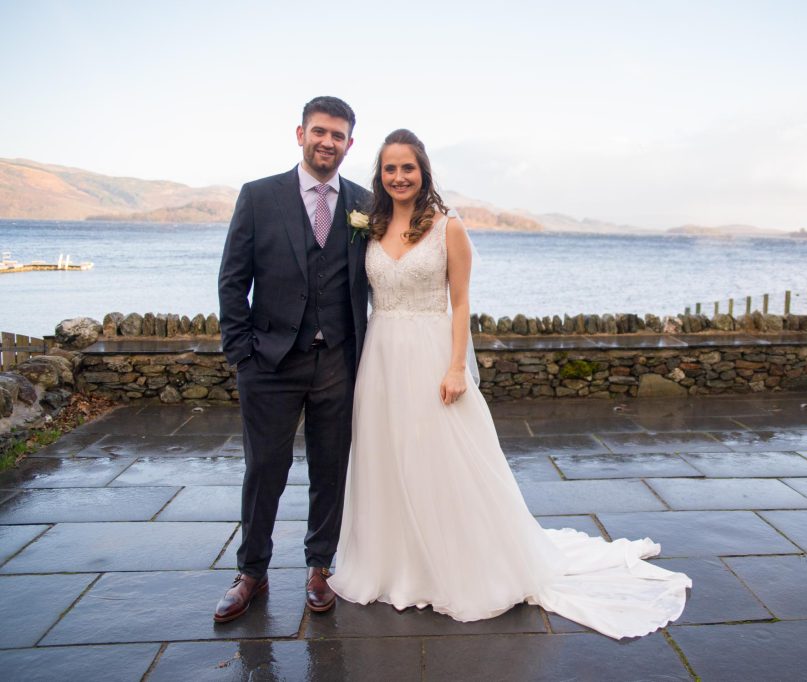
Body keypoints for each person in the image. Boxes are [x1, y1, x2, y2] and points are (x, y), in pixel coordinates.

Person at [327, 129, 691, 639]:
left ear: (423, 172)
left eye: (408, 167)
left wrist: (456, 367)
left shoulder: (448, 227)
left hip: (431, 352)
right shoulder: (371, 226)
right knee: (386, 457)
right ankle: (395, 565)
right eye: (390, 168)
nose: (399, 177)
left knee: (440, 458)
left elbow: (460, 303)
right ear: (379, 175)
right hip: (381, 356)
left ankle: (452, 564)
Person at [215, 96, 371, 622]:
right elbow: (232, 280)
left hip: (339, 362)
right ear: (300, 134)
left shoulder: (365, 203)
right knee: (264, 469)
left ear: (349, 144)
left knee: (331, 468)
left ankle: (319, 567)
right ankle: (251, 572)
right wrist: (242, 353)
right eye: (319, 131)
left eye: (338, 135)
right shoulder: (259, 196)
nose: (328, 142)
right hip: (270, 363)